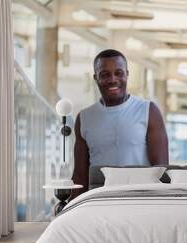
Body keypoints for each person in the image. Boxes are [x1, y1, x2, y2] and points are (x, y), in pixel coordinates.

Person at [70, 49, 169, 200]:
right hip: (99, 200)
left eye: (119, 73)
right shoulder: (85, 118)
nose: (113, 79)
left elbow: (161, 169)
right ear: (95, 78)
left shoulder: (148, 111)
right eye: (105, 75)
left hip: (140, 199)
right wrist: (69, 207)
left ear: (127, 74)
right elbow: (79, 175)